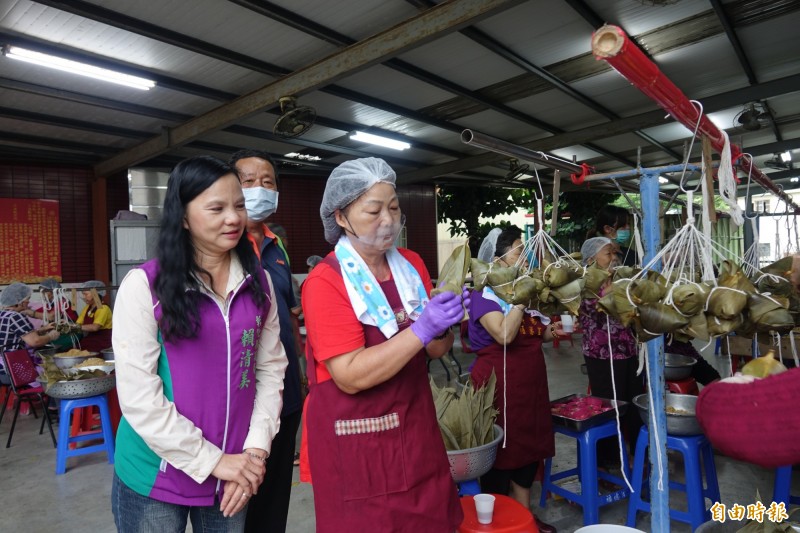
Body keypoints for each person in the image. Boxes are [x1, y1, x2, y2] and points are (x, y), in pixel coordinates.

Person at [111, 155, 288, 532]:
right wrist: (213, 461)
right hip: (156, 478)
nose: (234, 218)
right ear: (183, 216)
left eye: (239, 206)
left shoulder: (258, 283)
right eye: (217, 208)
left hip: (234, 475)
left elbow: (270, 370)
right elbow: (140, 399)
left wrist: (254, 452)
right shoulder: (144, 288)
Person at [301, 157, 467, 531]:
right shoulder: (326, 282)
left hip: (416, 429)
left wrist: (444, 324)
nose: (388, 220)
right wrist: (422, 329)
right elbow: (349, 375)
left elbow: (436, 350)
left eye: (393, 207)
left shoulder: (410, 264)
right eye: (373, 210)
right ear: (341, 217)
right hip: (357, 443)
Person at [229, 149, 303, 533]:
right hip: (240, 402)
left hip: (285, 396)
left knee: (275, 500)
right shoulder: (222, 248)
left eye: (268, 182)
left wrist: (302, 378)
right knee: (237, 504)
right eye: (249, 181)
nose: (260, 189)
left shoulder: (277, 246)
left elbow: (289, 318)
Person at [468, 226, 558, 533]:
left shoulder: (524, 291)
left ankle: (525, 517)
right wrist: (520, 299)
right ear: (499, 259)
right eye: (519, 251)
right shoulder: (484, 297)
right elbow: (505, 334)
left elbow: (540, 334)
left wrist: (557, 326)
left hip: (531, 383)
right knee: (500, 451)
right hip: (498, 385)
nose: (525, 258)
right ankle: (496, 522)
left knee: (528, 450)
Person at [577, 236, 644, 468]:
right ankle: (608, 461)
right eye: (608, 253)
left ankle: (637, 455)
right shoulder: (584, 284)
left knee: (634, 405)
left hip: (627, 350)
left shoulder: (618, 280)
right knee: (607, 408)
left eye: (614, 254)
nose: (614, 258)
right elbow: (591, 310)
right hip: (601, 355)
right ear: (591, 259)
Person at [0, 282, 61, 382]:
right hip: (14, 371)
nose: (28, 302)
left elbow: (14, 334)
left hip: (2, 368)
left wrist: (42, 329)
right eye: (27, 299)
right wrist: (50, 336)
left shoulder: (2, 315)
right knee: (55, 374)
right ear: (20, 302)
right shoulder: (15, 316)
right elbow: (35, 341)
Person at [76, 280, 113, 352]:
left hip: (102, 342)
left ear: (95, 294)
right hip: (91, 339)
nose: (84, 297)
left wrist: (75, 327)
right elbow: (78, 323)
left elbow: (95, 327)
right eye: (83, 294)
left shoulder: (103, 308)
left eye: (86, 294)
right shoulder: (87, 307)